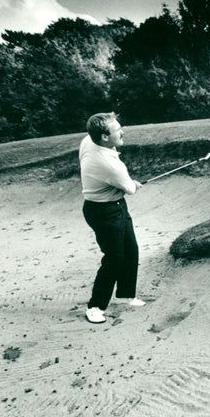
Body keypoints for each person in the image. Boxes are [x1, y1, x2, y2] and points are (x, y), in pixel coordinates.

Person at [79, 112, 144, 323]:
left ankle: (126, 294)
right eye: (117, 130)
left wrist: (127, 182)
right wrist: (132, 183)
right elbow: (130, 189)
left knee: (130, 249)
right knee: (114, 258)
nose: (122, 131)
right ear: (105, 137)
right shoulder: (108, 164)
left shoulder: (89, 140)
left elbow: (122, 184)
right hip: (104, 212)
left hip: (115, 206)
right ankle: (95, 306)